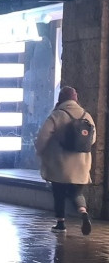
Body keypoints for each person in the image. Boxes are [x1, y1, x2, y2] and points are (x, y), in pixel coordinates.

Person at [35, 86, 97, 234]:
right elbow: (92, 140)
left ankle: (61, 224)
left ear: (61, 99)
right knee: (76, 193)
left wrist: (40, 151)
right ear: (75, 98)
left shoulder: (57, 115)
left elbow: (43, 137)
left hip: (60, 164)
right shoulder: (86, 115)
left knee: (59, 193)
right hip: (81, 165)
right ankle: (83, 212)